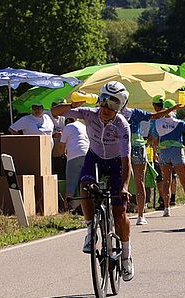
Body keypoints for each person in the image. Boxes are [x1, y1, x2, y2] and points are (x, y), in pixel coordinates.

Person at [52, 81, 136, 280]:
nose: (107, 109)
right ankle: (90, 229)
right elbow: (55, 111)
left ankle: (126, 255)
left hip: (116, 163)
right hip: (95, 158)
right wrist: (73, 106)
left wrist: (124, 187)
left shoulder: (122, 126)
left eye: (114, 105)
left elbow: (126, 160)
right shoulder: (88, 113)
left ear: (121, 108)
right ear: (99, 100)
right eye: (104, 102)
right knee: (85, 186)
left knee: (119, 211)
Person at [123, 99, 177, 225]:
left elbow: (154, 116)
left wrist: (170, 110)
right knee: (127, 181)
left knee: (139, 180)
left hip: (135, 146)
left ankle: (141, 214)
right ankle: (126, 212)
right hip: (125, 146)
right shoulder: (115, 113)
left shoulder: (133, 112)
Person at [150, 101, 185, 217]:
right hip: (177, 151)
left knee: (166, 181)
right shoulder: (179, 122)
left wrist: (154, 153)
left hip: (163, 151)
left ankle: (167, 208)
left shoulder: (156, 122)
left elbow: (154, 139)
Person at [61, 118, 89, 212]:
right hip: (87, 155)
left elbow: (61, 146)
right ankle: (87, 207)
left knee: (71, 185)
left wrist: (63, 154)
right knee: (86, 183)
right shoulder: (83, 126)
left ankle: (67, 208)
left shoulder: (68, 127)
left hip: (74, 156)